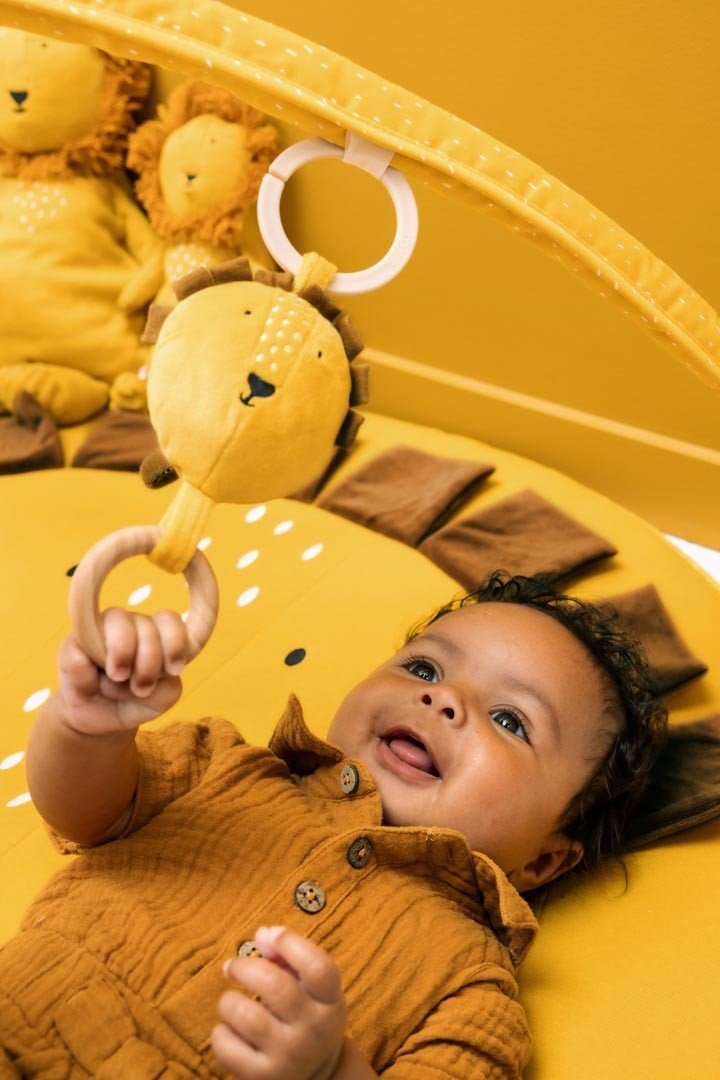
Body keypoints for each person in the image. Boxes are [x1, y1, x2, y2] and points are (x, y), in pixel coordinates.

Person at [0, 571, 666, 1079]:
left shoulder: (469, 988)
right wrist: (84, 725)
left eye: (511, 720)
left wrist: (330, 1067)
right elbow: (83, 811)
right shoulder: (223, 766)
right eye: (423, 668)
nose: (443, 699)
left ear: (546, 860)